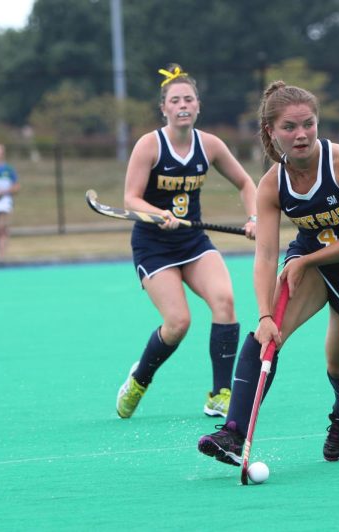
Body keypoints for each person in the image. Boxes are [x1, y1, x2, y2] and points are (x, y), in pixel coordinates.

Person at [198, 81, 339, 466]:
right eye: (289, 127)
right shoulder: (272, 184)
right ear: (271, 132)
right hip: (311, 264)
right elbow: (266, 253)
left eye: (308, 124)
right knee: (265, 337)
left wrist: (305, 261)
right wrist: (265, 315)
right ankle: (233, 433)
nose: (301, 134)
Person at [115, 64, 258, 419]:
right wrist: (156, 213)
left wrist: (254, 217)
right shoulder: (149, 145)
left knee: (225, 301)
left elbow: (246, 183)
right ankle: (140, 379)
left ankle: (220, 394)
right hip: (154, 245)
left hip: (193, 242)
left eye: (189, 99)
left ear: (198, 106)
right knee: (178, 323)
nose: (182, 105)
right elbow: (130, 199)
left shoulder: (209, 145)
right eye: (175, 100)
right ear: (163, 107)